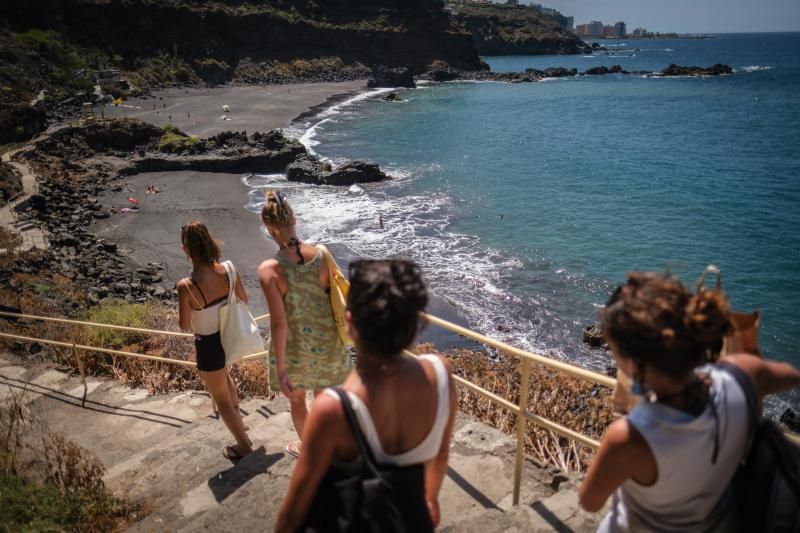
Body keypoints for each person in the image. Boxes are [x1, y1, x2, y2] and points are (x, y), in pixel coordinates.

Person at [579, 272, 800, 532]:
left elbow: (589, 501)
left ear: (634, 363)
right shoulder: (740, 377)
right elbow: (790, 374)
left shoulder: (630, 437)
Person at [274, 259, 457, 532]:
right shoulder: (441, 375)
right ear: (412, 325)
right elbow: (440, 455)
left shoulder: (333, 409)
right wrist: (429, 500)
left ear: (350, 321)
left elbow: (293, 514)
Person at [258, 191, 352, 458]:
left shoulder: (269, 270)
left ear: (269, 228)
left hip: (294, 351)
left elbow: (278, 322)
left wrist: (282, 369)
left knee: (298, 402)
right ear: (294, 218)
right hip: (328, 345)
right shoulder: (322, 254)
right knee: (325, 400)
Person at [177, 221, 253, 460]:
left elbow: (184, 324)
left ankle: (244, 446)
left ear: (186, 250)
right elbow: (244, 298)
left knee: (221, 400)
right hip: (229, 335)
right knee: (228, 384)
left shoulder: (186, 286)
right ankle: (241, 428)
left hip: (208, 344)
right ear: (210, 242)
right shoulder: (229, 269)